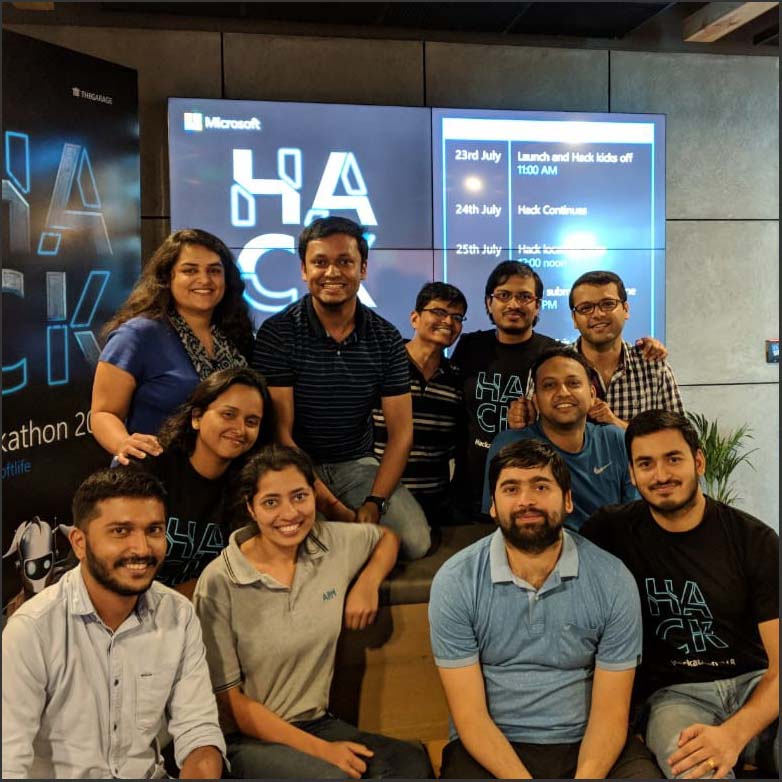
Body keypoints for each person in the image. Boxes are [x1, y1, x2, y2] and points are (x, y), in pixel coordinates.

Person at [193, 444, 432, 779]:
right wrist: (324, 752)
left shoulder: (329, 542)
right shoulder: (219, 581)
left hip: (316, 723)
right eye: (271, 502)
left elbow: (386, 538)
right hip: (246, 739)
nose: (289, 513)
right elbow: (231, 706)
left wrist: (367, 583)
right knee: (334, 778)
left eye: (299, 496)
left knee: (410, 762)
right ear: (251, 508)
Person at [429, 439, 658, 779]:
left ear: (567, 500)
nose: (526, 501)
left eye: (540, 486)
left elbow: (610, 715)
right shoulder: (456, 581)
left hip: (590, 743)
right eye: (511, 489)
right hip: (492, 747)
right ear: (493, 505)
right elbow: (470, 717)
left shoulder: (612, 579)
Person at [580, 410, 779, 779]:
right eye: (646, 463)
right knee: (693, 769)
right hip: (674, 697)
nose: (661, 475)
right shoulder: (610, 532)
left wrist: (733, 735)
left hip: (756, 684)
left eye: (673, 459)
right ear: (632, 474)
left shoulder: (753, 539)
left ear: (698, 462)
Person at [2, 468, 225, 779]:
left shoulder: (178, 614)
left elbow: (199, 730)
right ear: (79, 543)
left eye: (154, 530)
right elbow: (8, 761)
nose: (142, 548)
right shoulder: (32, 629)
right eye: (121, 531)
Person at [252, 216, 430, 560]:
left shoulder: (385, 337)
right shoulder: (279, 333)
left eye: (345, 262)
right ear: (304, 270)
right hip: (295, 465)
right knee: (310, 549)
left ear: (363, 269)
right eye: (320, 262)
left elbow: (401, 434)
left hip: (357, 464)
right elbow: (280, 433)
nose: (332, 272)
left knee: (416, 542)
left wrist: (375, 502)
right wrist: (331, 506)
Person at [92, 228, 253, 465]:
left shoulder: (236, 333)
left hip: (225, 475)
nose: (204, 280)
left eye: (214, 271)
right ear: (167, 278)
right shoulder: (137, 335)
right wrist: (122, 443)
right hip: (155, 473)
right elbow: (104, 413)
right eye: (190, 270)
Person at [132, 366, 274, 595]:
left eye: (251, 421)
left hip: (196, 605)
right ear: (197, 417)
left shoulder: (249, 486)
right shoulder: (150, 466)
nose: (240, 429)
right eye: (228, 414)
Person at [450, 261, 559, 521]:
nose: (514, 304)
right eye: (504, 295)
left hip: (528, 494)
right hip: (468, 491)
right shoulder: (469, 346)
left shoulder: (553, 354)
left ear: (537, 305)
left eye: (524, 296)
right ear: (489, 303)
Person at [482, 347, 638, 529]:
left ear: (592, 394)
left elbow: (633, 515)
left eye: (573, 383)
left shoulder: (615, 440)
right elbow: (502, 518)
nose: (563, 392)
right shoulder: (510, 445)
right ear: (536, 400)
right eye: (549, 385)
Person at [373, 281, 466, 527]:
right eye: (439, 312)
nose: (448, 321)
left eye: (457, 317)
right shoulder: (383, 365)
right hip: (380, 498)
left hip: (434, 507)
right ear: (414, 318)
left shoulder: (456, 379)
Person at [568, 270, 684, 429]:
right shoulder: (555, 367)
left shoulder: (653, 366)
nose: (598, 314)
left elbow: (676, 435)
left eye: (608, 304)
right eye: (586, 308)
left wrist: (616, 423)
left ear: (626, 309)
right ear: (574, 319)